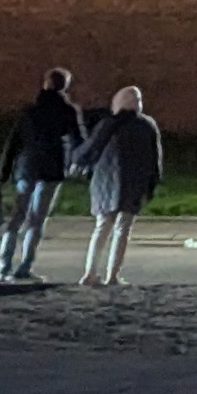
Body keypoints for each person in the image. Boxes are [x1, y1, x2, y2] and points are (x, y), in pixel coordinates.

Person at [0, 68, 86, 284]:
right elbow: (78, 139)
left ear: (45, 84)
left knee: (17, 218)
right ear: (65, 86)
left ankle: (3, 269)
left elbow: (12, 145)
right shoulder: (67, 110)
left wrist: (1, 177)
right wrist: (78, 163)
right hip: (51, 170)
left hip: (26, 169)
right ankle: (25, 267)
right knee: (37, 220)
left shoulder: (29, 112)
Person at [71, 83, 164, 285]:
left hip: (106, 182)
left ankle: (90, 273)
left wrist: (77, 161)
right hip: (133, 184)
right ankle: (112, 275)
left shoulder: (109, 123)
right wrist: (152, 184)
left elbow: (92, 147)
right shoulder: (147, 125)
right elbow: (154, 159)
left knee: (102, 227)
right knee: (123, 229)